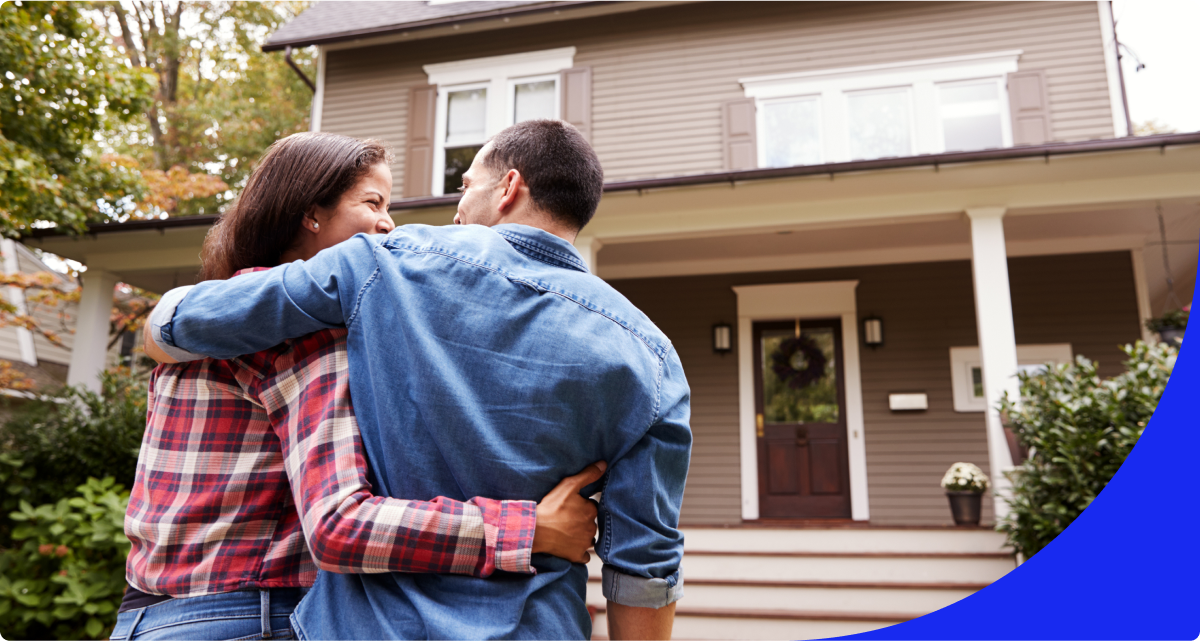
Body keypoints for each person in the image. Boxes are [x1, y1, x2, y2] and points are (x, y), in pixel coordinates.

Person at [146, 120, 691, 641]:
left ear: (508, 188)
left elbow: (190, 320)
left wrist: (160, 327)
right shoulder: (653, 358)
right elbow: (645, 566)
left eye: (465, 186)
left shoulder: (385, 265)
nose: (456, 210)